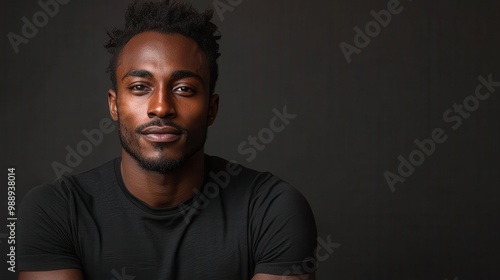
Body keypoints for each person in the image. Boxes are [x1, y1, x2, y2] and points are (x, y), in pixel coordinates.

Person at [17, 1, 317, 279]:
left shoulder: (271, 210)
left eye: (184, 89)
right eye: (139, 87)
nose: (161, 107)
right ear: (114, 105)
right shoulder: (54, 210)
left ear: (211, 109)